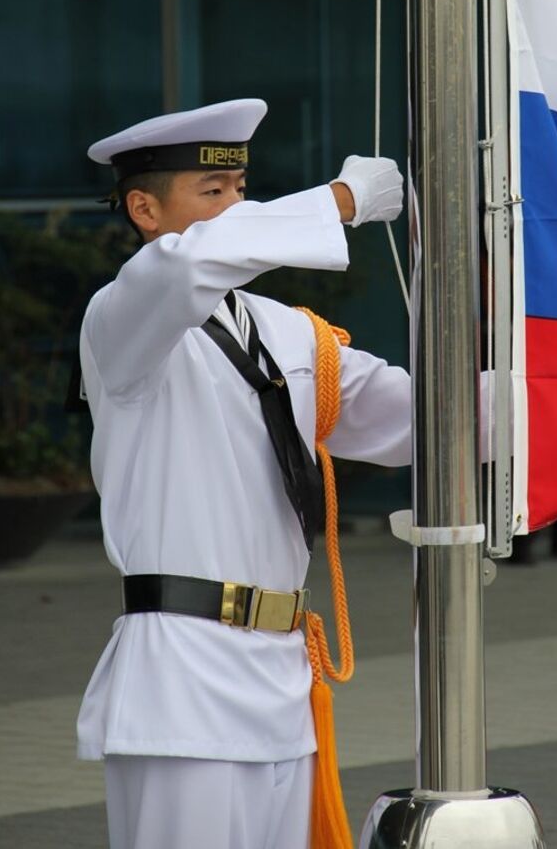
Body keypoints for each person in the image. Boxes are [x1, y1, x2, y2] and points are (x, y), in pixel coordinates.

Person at [76, 97, 412, 849]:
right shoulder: (121, 317)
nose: (235, 206)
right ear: (144, 208)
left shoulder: (284, 330)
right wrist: (340, 202)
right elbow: (191, 265)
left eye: (240, 190)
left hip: (281, 679)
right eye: (212, 192)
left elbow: (423, 420)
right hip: (182, 685)